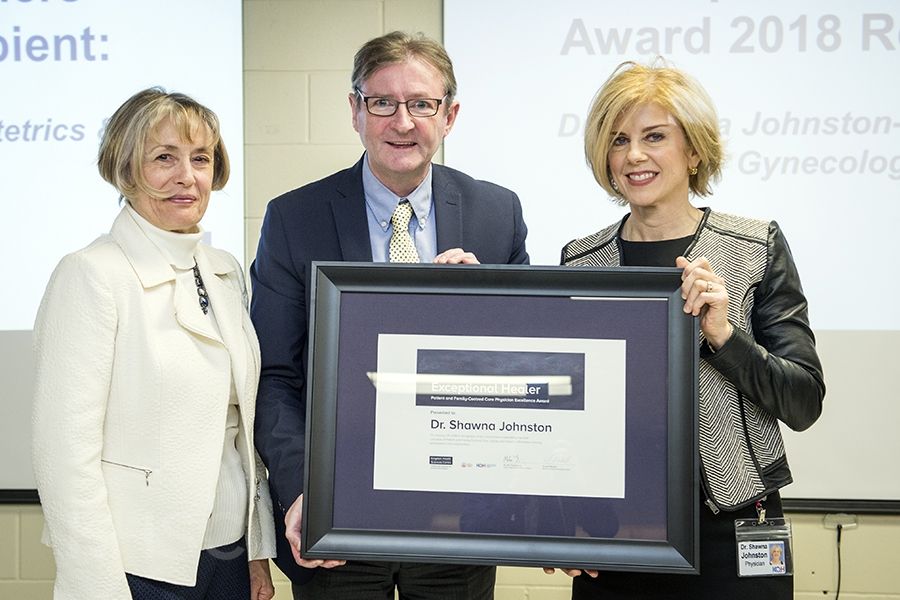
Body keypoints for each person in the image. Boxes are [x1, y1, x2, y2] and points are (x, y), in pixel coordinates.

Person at [251, 30, 529, 600]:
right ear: (355, 110)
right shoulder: (294, 218)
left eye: (421, 104)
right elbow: (276, 377)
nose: (402, 122)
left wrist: (485, 313)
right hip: (338, 515)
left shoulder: (496, 213)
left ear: (449, 116)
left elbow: (524, 368)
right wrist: (302, 491)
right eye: (383, 102)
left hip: (458, 518)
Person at [548, 62, 825, 598]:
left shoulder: (755, 246)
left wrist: (725, 337)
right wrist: (558, 516)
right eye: (619, 140)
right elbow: (561, 410)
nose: (634, 155)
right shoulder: (582, 263)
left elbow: (804, 403)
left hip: (734, 527)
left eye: (655, 137)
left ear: (694, 151)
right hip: (614, 533)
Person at [32, 87, 276, 600]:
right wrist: (98, 586)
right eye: (164, 158)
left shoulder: (224, 270)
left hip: (227, 557)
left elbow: (240, 431)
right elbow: (64, 457)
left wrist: (257, 551)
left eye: (201, 158)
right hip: (136, 568)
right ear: (125, 170)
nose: (187, 176)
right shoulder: (92, 274)